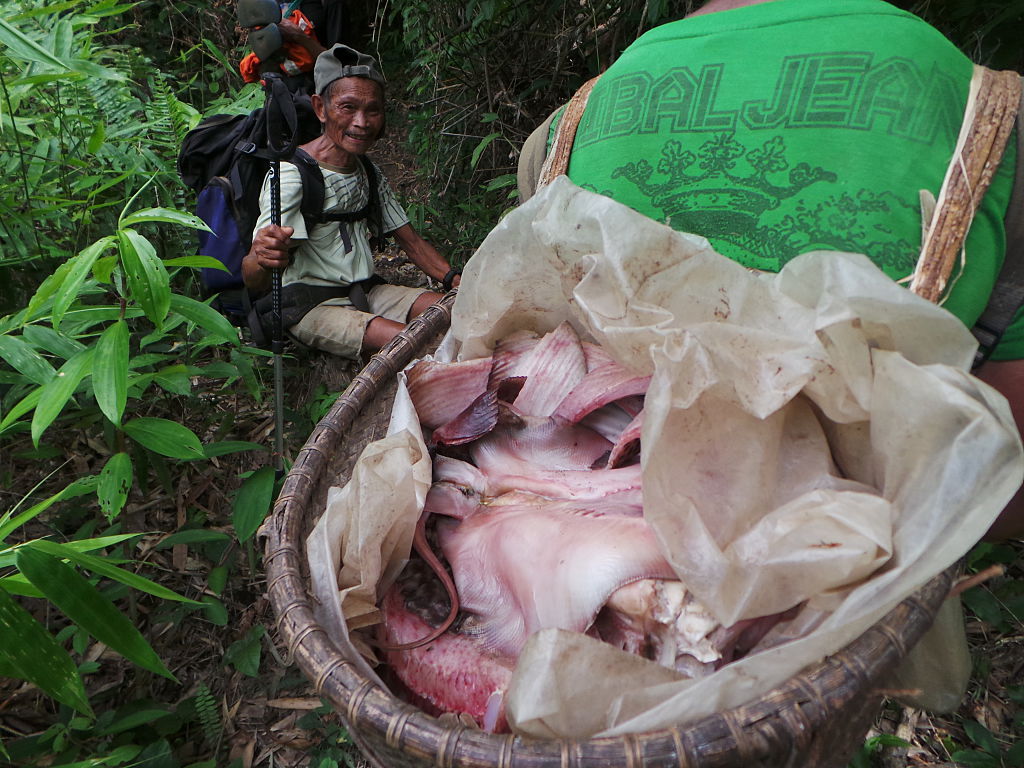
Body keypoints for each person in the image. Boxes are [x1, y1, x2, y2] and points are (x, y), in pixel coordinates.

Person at [518, 0, 1024, 542]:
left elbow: (539, 391)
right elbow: (999, 487)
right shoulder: (992, 121)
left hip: (587, 555)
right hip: (855, 574)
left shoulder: (558, 139)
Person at [243, 44, 460, 360]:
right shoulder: (291, 175)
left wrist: (455, 282)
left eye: (373, 110)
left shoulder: (367, 171)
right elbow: (253, 276)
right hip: (310, 306)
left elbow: (411, 242)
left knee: (460, 312)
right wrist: (262, 256)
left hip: (366, 292)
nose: (362, 122)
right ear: (320, 108)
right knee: (415, 343)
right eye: (348, 107)